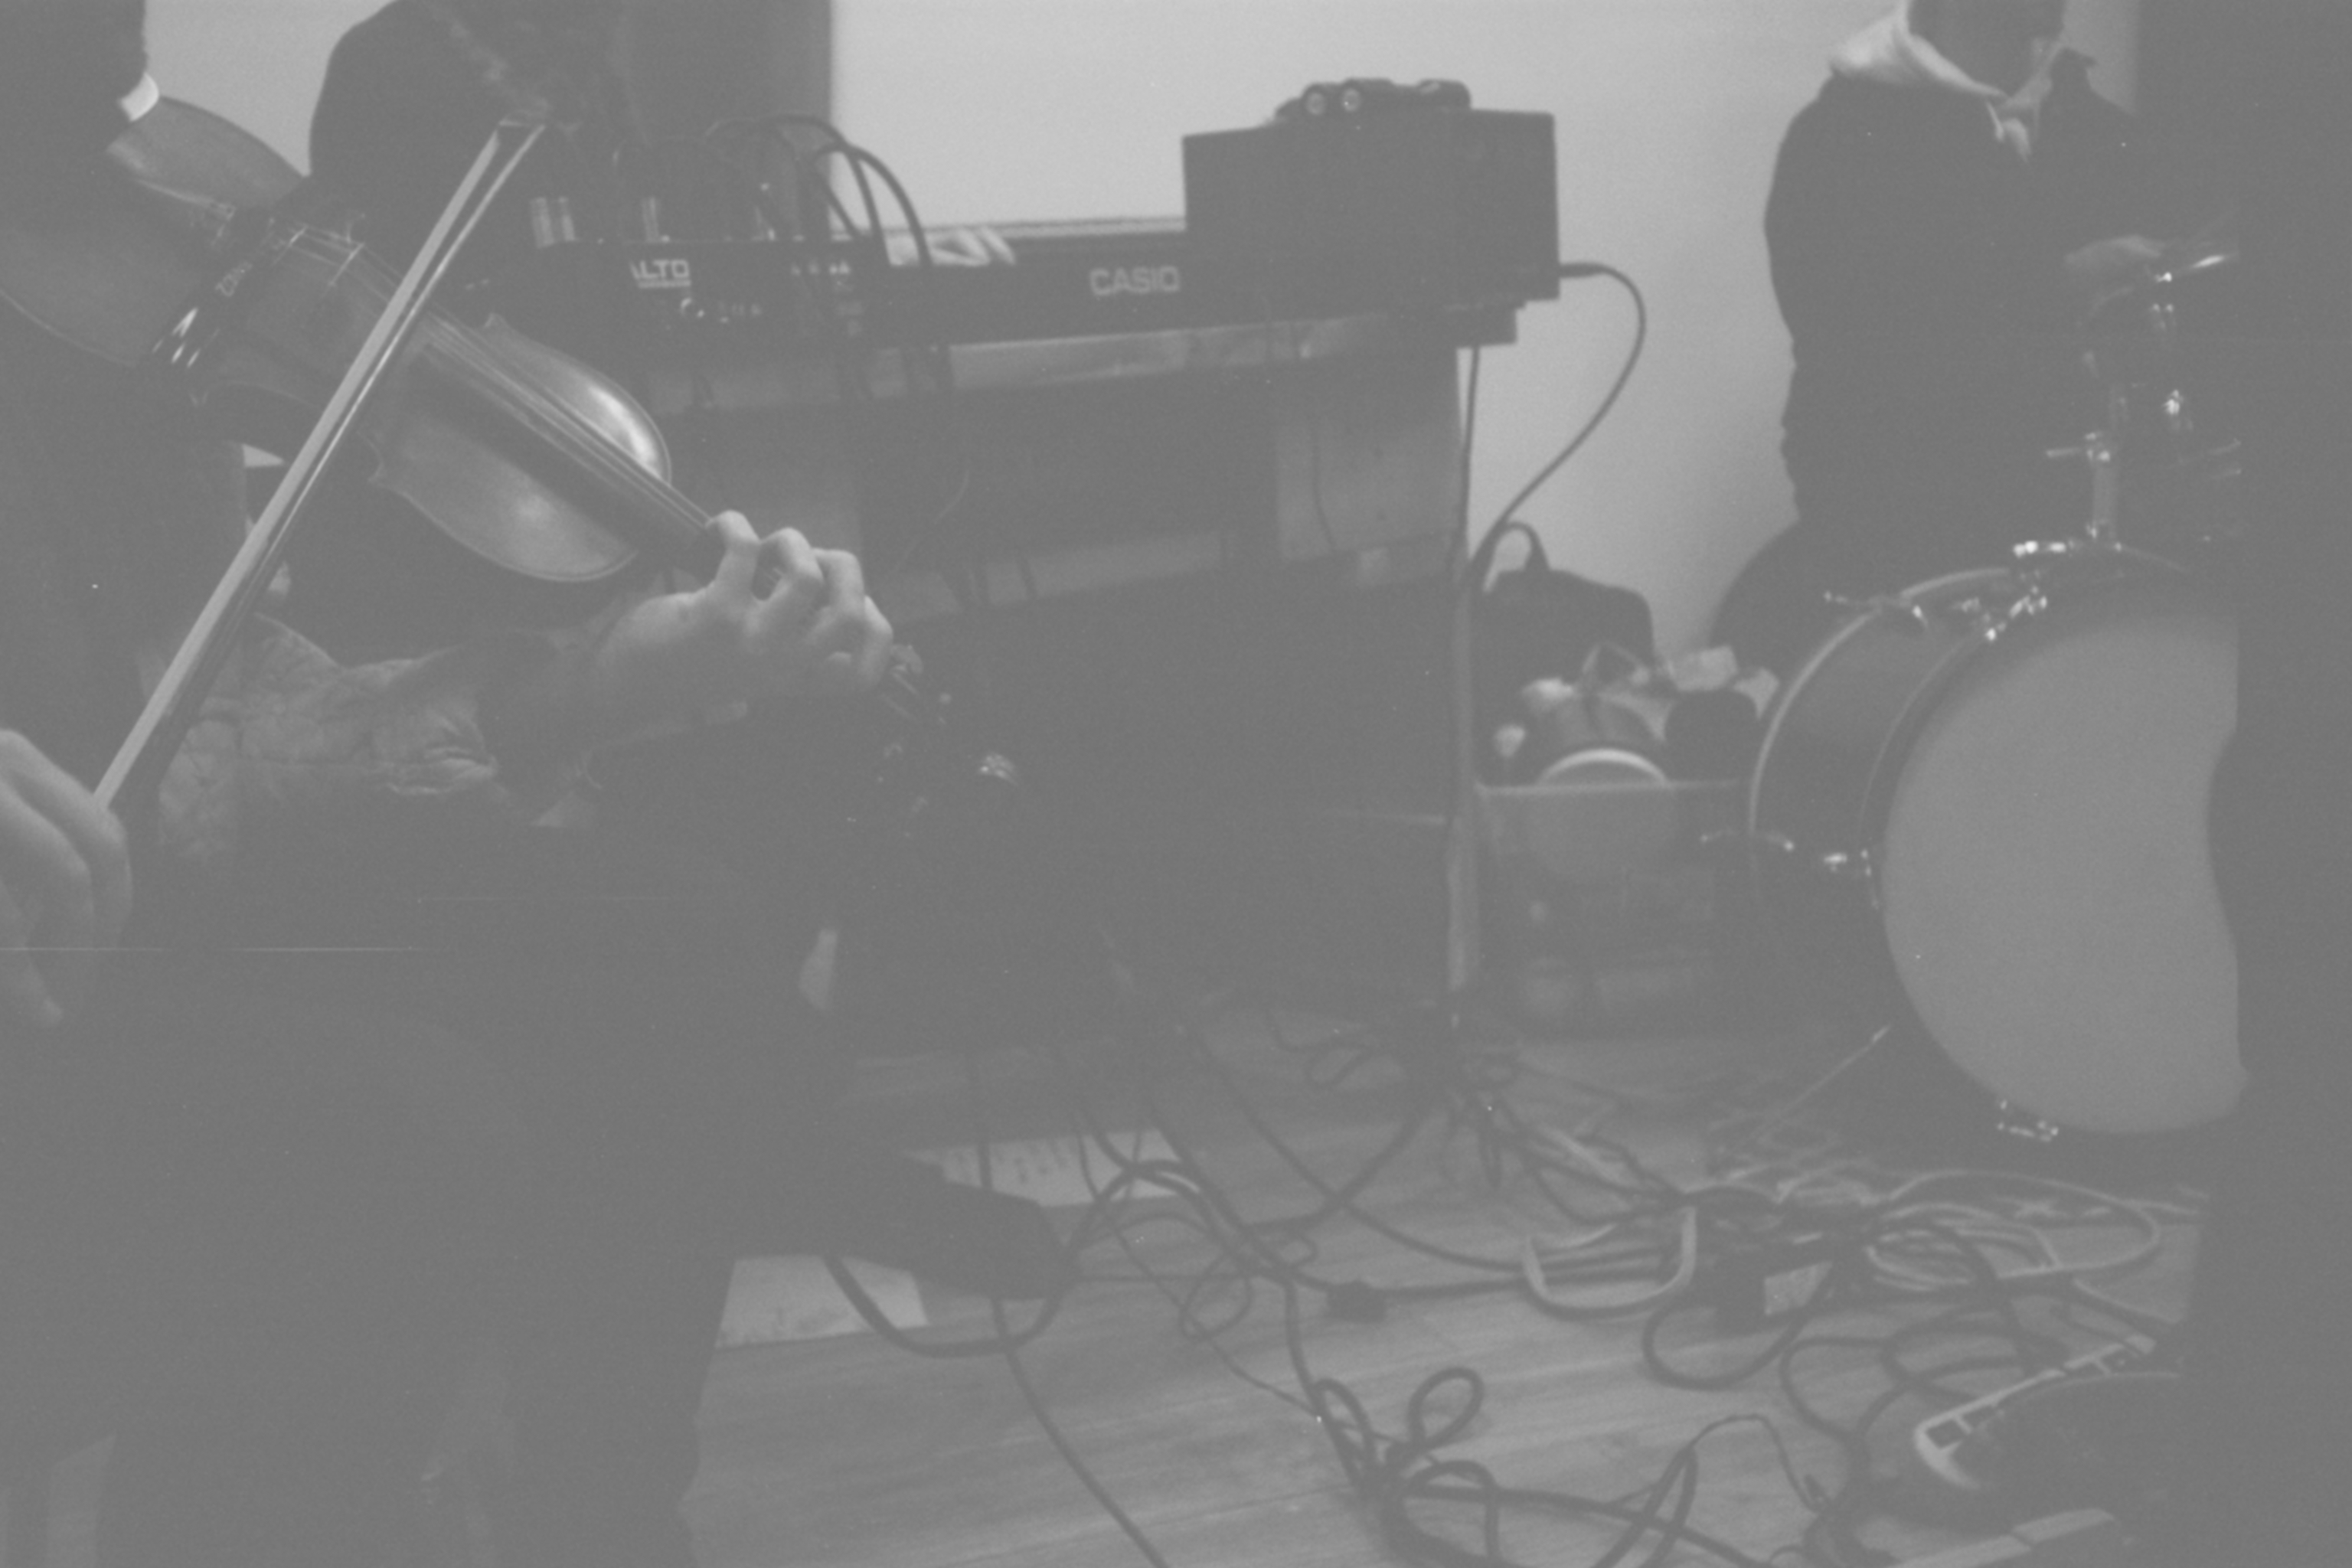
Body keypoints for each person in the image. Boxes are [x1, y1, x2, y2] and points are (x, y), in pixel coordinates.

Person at [0, 1, 900, 1563]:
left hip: (127, 913)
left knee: (667, 947)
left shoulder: (127, 292)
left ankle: (596, 1524)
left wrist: (615, 676)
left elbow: (228, 741)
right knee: (393, 1131)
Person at [1717, 0, 2191, 674]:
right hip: (1908, 540)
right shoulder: (1842, 138)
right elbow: (1884, 363)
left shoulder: (2075, 120)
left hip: (2073, 530)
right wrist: (2066, 283)